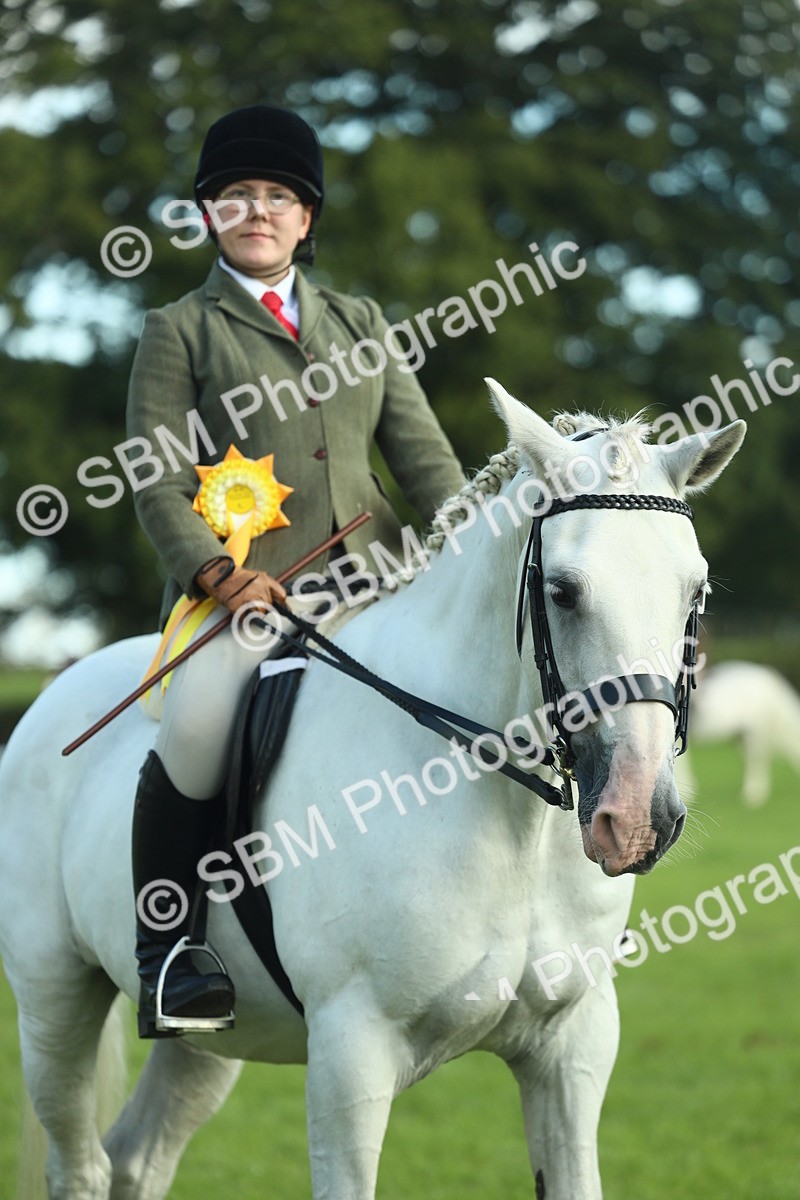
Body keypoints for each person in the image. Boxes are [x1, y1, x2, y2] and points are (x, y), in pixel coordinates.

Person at [127, 104, 465, 1038]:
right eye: (238, 196)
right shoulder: (180, 330)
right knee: (194, 729)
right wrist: (212, 573)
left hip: (379, 582)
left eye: (279, 197)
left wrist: (473, 539)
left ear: (306, 219)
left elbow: (427, 462)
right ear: (209, 215)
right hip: (247, 599)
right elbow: (152, 471)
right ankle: (173, 955)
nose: (260, 211)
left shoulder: (361, 322)